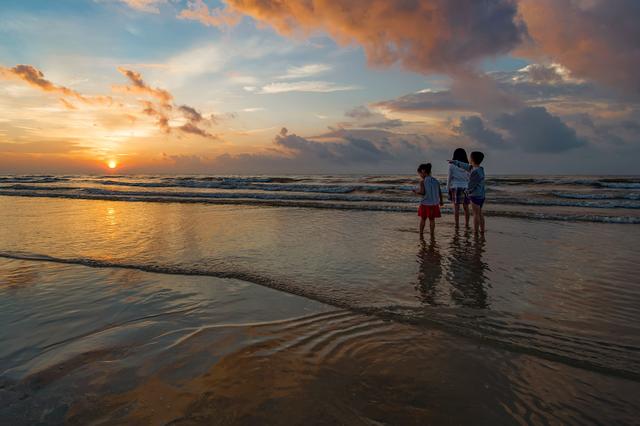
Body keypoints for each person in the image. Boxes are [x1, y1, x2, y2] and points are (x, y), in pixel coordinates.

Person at [449, 151, 485, 234]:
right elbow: (465, 166)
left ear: (472, 159)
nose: (468, 158)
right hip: (482, 195)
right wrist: (455, 162)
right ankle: (482, 230)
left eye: (470, 157)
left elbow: (471, 185)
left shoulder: (475, 172)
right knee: (480, 213)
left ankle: (476, 232)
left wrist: (467, 191)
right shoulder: (480, 169)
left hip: (475, 196)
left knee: (476, 214)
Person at [412, 163, 444, 238]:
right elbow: (439, 192)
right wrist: (441, 201)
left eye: (420, 173)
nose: (420, 175)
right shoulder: (436, 181)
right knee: (432, 220)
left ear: (423, 171)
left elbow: (423, 192)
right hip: (434, 204)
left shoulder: (423, 181)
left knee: (423, 219)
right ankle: (432, 234)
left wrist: (416, 191)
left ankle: (421, 234)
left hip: (425, 203)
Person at [447, 148, 471, 227]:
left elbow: (449, 178)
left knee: (456, 208)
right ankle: (467, 224)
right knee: (466, 207)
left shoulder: (451, 165)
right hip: (466, 187)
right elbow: (469, 178)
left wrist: (448, 188)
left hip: (456, 186)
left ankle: (457, 224)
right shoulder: (467, 166)